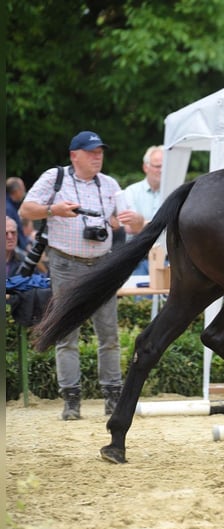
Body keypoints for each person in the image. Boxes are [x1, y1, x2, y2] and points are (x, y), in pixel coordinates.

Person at [19, 130, 142, 420]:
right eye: (91, 152)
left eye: (100, 152)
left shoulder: (110, 183)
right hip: (65, 262)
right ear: (75, 155)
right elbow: (26, 209)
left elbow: (131, 222)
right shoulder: (55, 178)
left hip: (102, 264)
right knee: (66, 333)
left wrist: (135, 220)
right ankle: (71, 402)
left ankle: (112, 398)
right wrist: (55, 210)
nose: (98, 157)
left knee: (109, 334)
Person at [122, 145, 165, 274]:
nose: (162, 170)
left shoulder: (174, 191)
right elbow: (131, 227)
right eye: (158, 166)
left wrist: (142, 224)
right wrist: (163, 227)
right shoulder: (131, 191)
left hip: (168, 261)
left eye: (165, 166)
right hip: (137, 261)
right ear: (146, 167)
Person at [6, 177, 29, 250]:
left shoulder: (12, 206)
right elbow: (10, 234)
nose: (24, 192)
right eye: (23, 189)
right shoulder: (8, 209)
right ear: (16, 191)